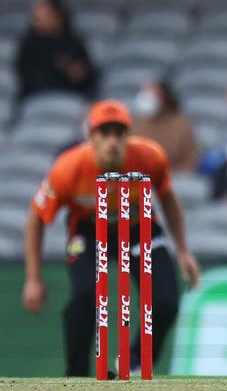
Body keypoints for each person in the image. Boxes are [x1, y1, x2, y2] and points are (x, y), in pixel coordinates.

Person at [22, 99, 201, 377]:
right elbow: (36, 218)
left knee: (166, 301)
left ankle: (134, 361)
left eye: (119, 133)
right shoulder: (68, 169)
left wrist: (183, 250)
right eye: (104, 133)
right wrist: (34, 278)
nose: (113, 141)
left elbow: (166, 196)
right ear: (91, 137)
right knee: (85, 295)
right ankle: (77, 377)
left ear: (128, 136)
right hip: (89, 230)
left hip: (137, 226)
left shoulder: (149, 157)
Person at [14, 0, 98, 101]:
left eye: (41, 18)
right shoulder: (30, 43)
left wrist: (74, 72)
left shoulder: (73, 42)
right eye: (36, 18)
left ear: (57, 16)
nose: (36, 22)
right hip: (37, 97)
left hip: (70, 97)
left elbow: (86, 75)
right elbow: (25, 75)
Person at [132, 80, 200, 172]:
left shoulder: (181, 123)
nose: (147, 97)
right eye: (145, 92)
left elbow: (190, 158)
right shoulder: (136, 123)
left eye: (153, 93)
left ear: (164, 96)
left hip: (174, 177)